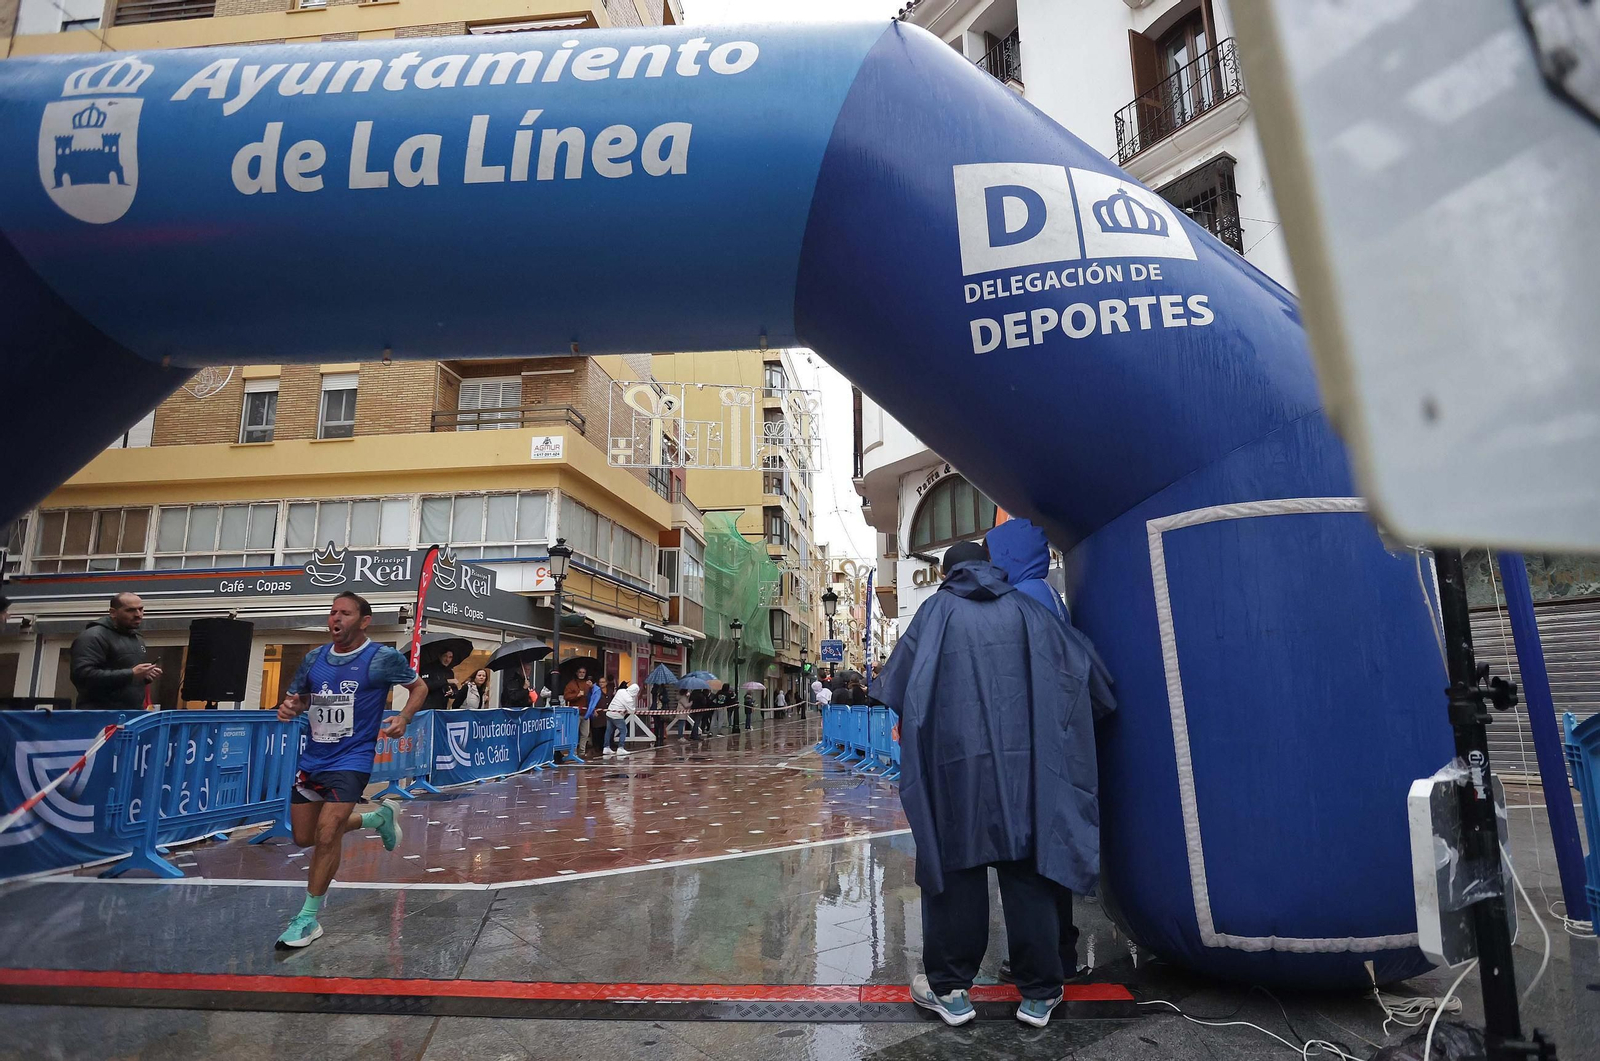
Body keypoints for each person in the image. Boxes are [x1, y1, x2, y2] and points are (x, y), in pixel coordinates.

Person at [872, 540, 1113, 1029]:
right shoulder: (1030, 611)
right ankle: (1040, 994)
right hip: (1026, 774)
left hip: (955, 772)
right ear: (991, 567)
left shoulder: (935, 613)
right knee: (1028, 872)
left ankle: (951, 991)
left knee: (956, 871)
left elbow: (896, 689)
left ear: (946, 572)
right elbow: (1090, 681)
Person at [986, 518, 1117, 985]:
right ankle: (1058, 954)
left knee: (1031, 864)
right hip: (1059, 748)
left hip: (1034, 754)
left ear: (1009, 557)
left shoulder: (1024, 602)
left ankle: (1042, 962)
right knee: (1052, 858)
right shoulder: (1048, 597)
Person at [275, 591, 426, 950]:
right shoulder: (314, 658)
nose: (335, 619)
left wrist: (404, 717)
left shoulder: (381, 658)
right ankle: (377, 819)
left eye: (344, 613)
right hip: (313, 758)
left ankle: (307, 919)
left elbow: (419, 687)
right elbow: (301, 698)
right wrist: (290, 707)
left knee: (328, 835)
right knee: (304, 837)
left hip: (353, 758)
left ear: (364, 620)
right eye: (332, 613)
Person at [70, 593, 160, 710]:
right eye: (130, 610)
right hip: (99, 715)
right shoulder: (93, 637)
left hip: (131, 715)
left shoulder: (136, 637)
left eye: (140, 609)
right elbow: (83, 677)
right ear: (113, 612)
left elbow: (125, 679)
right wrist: (131, 674)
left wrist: (144, 677)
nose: (138, 615)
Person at [563, 666, 595, 750]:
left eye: (583, 672)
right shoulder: (571, 684)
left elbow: (593, 696)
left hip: (585, 713)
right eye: (580, 672)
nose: (581, 674)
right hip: (575, 713)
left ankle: (582, 751)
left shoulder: (587, 684)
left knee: (585, 733)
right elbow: (566, 696)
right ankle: (573, 751)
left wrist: (592, 687)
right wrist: (576, 695)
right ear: (577, 673)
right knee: (574, 733)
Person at [603, 681, 637, 758]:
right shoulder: (629, 699)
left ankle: (606, 747)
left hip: (609, 712)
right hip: (617, 716)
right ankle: (620, 748)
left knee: (608, 731)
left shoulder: (621, 691)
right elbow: (632, 711)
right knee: (623, 731)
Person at [419, 648, 458, 712]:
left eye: (450, 657)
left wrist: (452, 692)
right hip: (427, 708)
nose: (447, 659)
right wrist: (446, 681)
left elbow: (454, 690)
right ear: (440, 656)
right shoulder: (427, 668)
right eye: (445, 656)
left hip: (442, 708)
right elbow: (426, 685)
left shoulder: (449, 672)